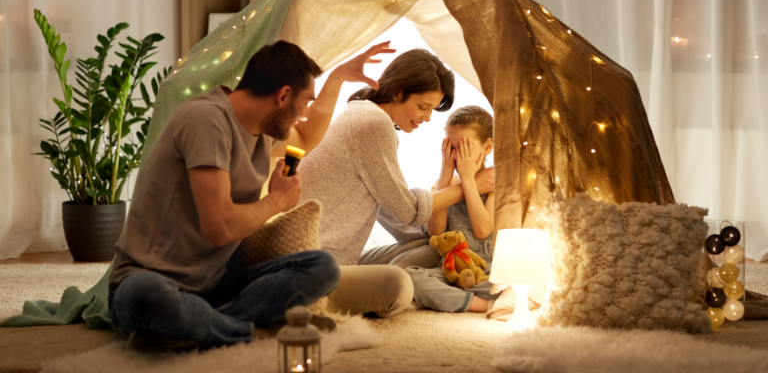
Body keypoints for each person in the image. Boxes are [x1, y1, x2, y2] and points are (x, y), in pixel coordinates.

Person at [108, 40, 393, 350]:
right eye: (305, 101)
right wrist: (275, 202)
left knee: (322, 268)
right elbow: (219, 229)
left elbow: (308, 136)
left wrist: (337, 78)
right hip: (147, 281)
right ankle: (245, 331)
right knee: (148, 296)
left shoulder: (259, 131)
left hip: (213, 285)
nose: (305, 112)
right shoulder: (206, 119)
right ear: (283, 95)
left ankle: (197, 328)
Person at [298, 49, 495, 318]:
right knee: (400, 286)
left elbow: (391, 208)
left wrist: (434, 238)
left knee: (428, 246)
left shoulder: (362, 113)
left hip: (328, 258)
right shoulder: (373, 123)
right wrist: (468, 185)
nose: (427, 118)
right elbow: (408, 211)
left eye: (431, 110)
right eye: (423, 107)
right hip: (311, 265)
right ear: (397, 92)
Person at [405, 106, 499, 313]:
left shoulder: (495, 182)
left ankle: (461, 300)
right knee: (409, 278)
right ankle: (483, 306)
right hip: (451, 272)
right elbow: (436, 233)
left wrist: (468, 180)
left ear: (487, 146)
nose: (458, 156)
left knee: (511, 285)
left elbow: (483, 230)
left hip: (486, 273)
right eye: (452, 148)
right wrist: (445, 178)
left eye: (465, 146)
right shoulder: (447, 186)